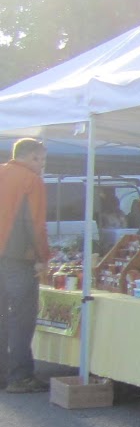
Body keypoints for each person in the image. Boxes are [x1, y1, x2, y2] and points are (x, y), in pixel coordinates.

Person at [0, 139, 49, 393]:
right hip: (19, 258)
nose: (42, 165)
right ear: (32, 158)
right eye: (41, 160)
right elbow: (35, 223)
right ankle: (20, 376)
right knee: (22, 317)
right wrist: (43, 258)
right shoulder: (31, 180)